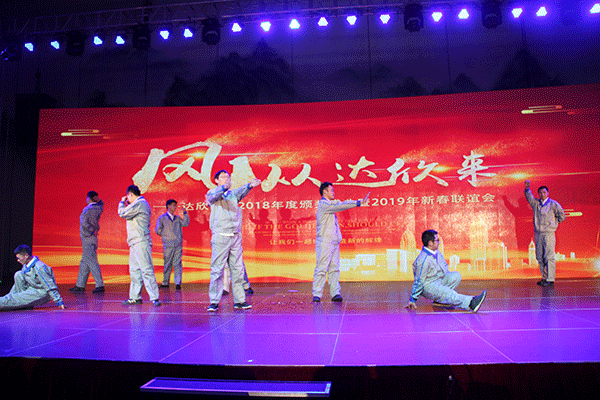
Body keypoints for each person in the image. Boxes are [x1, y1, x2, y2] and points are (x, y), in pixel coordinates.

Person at [205, 170, 261, 312]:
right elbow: (212, 197)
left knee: (237, 270)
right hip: (221, 236)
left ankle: (240, 300)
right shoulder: (213, 193)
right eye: (223, 177)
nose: (226, 179)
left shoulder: (232, 194)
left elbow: (241, 190)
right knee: (217, 270)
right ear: (216, 180)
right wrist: (223, 187)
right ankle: (214, 301)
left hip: (235, 236)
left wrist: (249, 185)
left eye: (228, 177)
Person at [312, 182, 369, 303]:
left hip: (333, 241)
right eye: (331, 190)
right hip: (325, 242)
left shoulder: (331, 204)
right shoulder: (323, 205)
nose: (333, 192)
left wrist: (359, 201)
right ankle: (317, 294)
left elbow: (341, 203)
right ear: (324, 192)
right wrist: (358, 203)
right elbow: (340, 206)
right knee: (322, 268)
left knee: (334, 268)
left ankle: (335, 293)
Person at [405, 230, 486, 312]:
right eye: (437, 240)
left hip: (439, 280)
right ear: (430, 243)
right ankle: (471, 303)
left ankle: (440, 300)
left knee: (456, 276)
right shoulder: (423, 259)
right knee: (448, 293)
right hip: (428, 285)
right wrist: (413, 299)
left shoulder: (437, 253)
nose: (439, 242)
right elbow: (419, 280)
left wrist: (445, 283)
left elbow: (445, 268)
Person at [118, 185, 161, 306]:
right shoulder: (137, 204)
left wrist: (121, 203)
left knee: (146, 269)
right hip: (134, 242)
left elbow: (123, 213)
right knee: (134, 271)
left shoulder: (140, 203)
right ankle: (135, 297)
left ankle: (154, 297)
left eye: (128, 197)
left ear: (130, 194)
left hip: (141, 241)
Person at [524, 180, 566, 287]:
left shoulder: (553, 204)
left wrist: (553, 224)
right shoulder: (536, 204)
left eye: (544, 192)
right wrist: (527, 189)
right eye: (540, 193)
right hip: (538, 234)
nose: (542, 194)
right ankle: (544, 277)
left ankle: (550, 278)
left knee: (549, 256)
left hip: (549, 234)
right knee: (539, 256)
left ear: (548, 193)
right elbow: (529, 197)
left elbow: (562, 216)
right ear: (538, 194)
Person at [0, 245, 65, 310]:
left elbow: (49, 285)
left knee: (11, 300)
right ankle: (18, 304)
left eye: (19, 258)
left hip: (40, 293)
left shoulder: (39, 267)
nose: (18, 260)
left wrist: (59, 301)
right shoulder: (26, 266)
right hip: (31, 289)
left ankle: (10, 303)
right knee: (18, 274)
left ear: (26, 255)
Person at [70, 191, 105, 293]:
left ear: (89, 198)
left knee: (92, 261)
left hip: (87, 237)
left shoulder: (87, 209)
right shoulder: (98, 208)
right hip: (92, 237)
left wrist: (90, 231)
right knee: (84, 262)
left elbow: (84, 222)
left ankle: (100, 285)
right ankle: (80, 285)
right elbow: (101, 204)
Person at [155, 199, 190, 290]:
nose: (175, 207)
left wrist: (185, 213)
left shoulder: (177, 218)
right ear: (168, 206)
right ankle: (165, 282)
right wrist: (166, 235)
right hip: (168, 245)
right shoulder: (162, 218)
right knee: (167, 264)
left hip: (177, 245)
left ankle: (178, 282)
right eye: (173, 205)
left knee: (177, 264)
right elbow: (157, 230)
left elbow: (186, 223)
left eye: (175, 205)